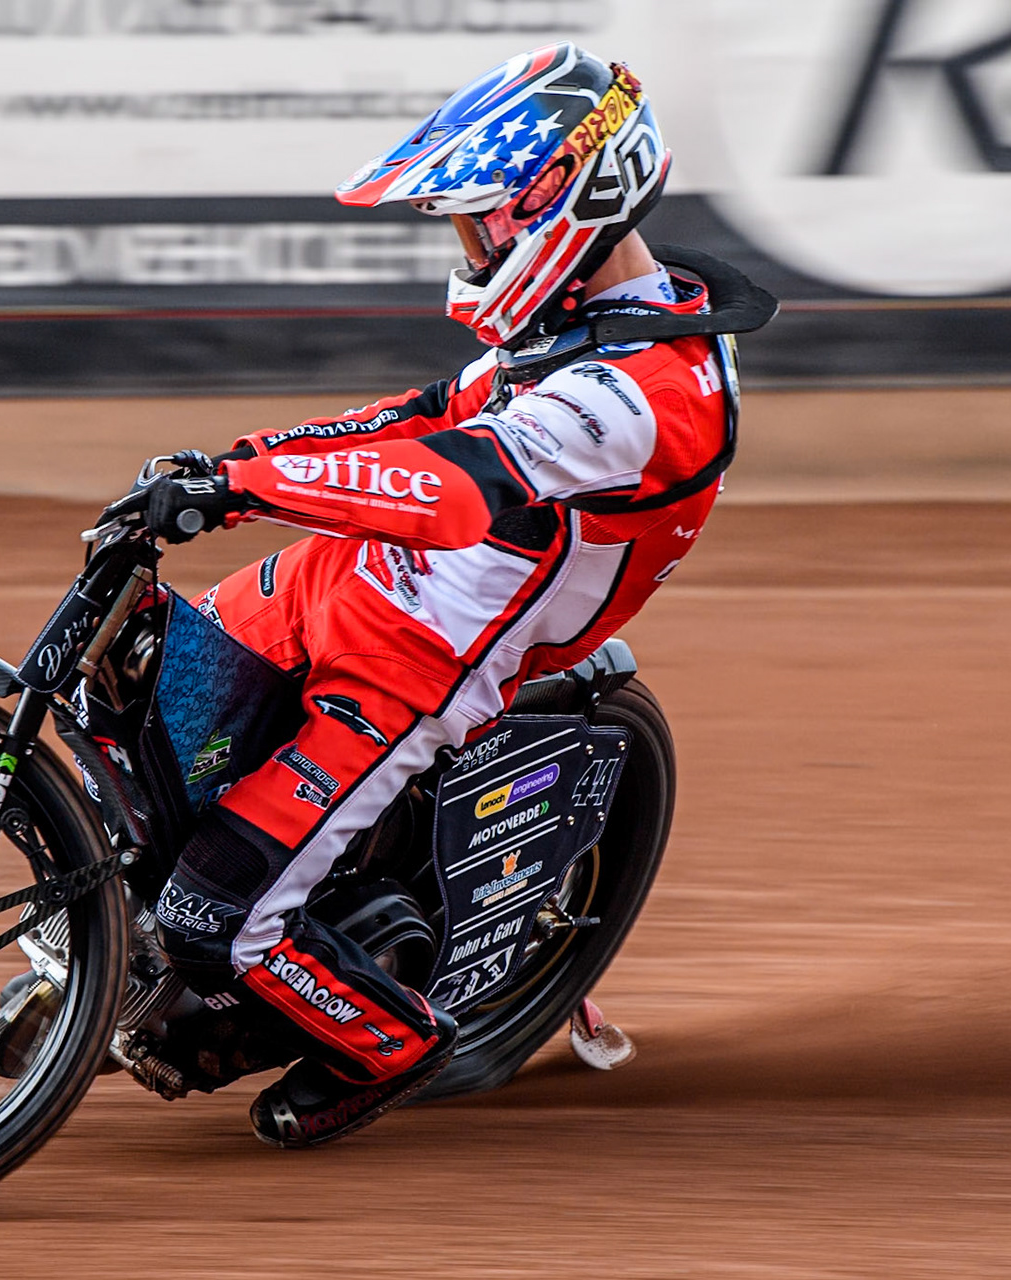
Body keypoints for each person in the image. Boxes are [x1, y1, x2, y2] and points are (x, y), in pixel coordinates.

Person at [135, 42, 774, 1148]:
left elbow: (452, 485)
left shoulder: (644, 396)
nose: (468, 249)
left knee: (214, 914)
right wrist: (228, 466)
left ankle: (391, 1040)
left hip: (416, 664)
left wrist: (248, 484)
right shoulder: (576, 323)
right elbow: (427, 411)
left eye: (482, 223)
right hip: (334, 583)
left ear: (564, 209)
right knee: (137, 729)